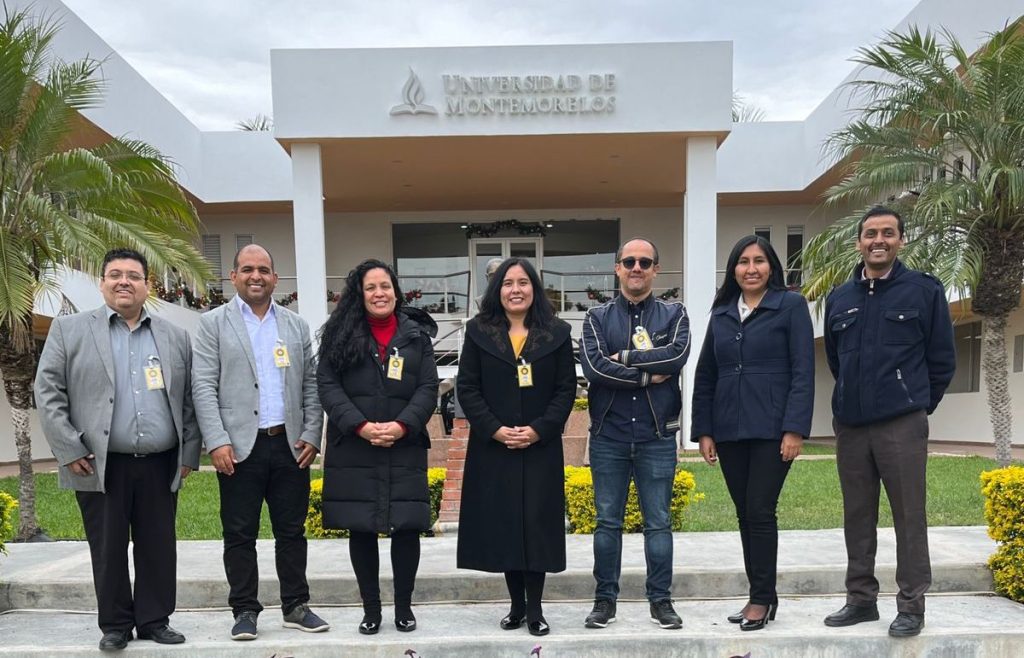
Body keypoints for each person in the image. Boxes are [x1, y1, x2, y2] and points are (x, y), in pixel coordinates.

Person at [35, 248, 200, 652]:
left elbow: (189, 401)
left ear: (147, 285)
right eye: (115, 274)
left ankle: (155, 620)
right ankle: (115, 625)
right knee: (107, 548)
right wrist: (69, 449)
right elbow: (48, 391)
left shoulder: (174, 335)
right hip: (97, 463)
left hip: (162, 463)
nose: (123, 281)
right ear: (102, 282)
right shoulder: (69, 330)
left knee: (158, 545)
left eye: (133, 275)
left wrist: (187, 456)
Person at [822, 206, 956, 638]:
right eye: (869, 234)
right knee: (857, 515)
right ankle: (860, 599)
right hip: (852, 425)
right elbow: (836, 362)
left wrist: (915, 404)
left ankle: (911, 605)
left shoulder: (923, 291)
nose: (877, 240)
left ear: (901, 240)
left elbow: (942, 360)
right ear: (859, 242)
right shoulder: (840, 298)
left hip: (901, 424)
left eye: (887, 233)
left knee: (908, 516)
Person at [192, 244, 328, 641]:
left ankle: (295, 605)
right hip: (237, 447)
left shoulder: (295, 326)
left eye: (264, 270)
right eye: (247, 269)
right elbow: (202, 386)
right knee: (239, 533)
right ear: (232, 276)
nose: (256, 276)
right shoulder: (212, 324)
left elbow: (310, 385)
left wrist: (311, 434)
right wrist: (216, 441)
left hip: (288, 445)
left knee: (292, 531)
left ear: (275, 278)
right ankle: (245, 610)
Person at [691, 235, 814, 631]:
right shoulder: (723, 312)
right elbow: (706, 373)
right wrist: (704, 430)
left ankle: (762, 598)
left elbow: (803, 371)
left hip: (772, 428)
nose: (751, 268)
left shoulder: (791, 306)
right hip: (728, 429)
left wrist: (794, 428)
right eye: (742, 261)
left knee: (760, 510)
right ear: (733, 270)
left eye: (759, 260)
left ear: (772, 267)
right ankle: (759, 596)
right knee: (745, 513)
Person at [317, 258, 439, 635]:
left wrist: (403, 425)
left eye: (385, 286)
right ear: (360, 293)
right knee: (362, 529)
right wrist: (361, 426)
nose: (379, 293)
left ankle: (404, 608)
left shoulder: (416, 335)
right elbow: (328, 386)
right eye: (370, 287)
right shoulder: (340, 334)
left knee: (406, 527)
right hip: (356, 447)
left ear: (396, 291)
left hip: (404, 445)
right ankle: (371, 609)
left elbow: (428, 388)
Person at [456, 258, 577, 637]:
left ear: (534, 288)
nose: (516, 289)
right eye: (508, 283)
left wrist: (539, 430)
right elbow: (468, 389)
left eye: (523, 282)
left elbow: (565, 391)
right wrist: (495, 430)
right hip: (495, 448)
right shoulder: (478, 332)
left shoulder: (556, 333)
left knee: (535, 524)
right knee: (507, 523)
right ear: (498, 289)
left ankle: (537, 609)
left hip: (539, 448)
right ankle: (516, 606)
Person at [579, 237, 691, 630]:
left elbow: (676, 357)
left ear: (656, 269)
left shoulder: (674, 314)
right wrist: (648, 374)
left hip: (656, 435)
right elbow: (593, 369)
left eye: (645, 262)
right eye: (629, 261)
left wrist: (624, 359)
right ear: (617, 269)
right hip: (609, 435)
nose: (637, 268)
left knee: (658, 523)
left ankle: (660, 601)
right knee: (607, 523)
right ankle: (604, 601)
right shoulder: (596, 318)